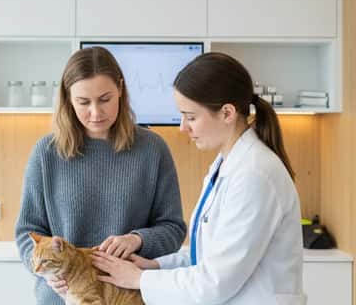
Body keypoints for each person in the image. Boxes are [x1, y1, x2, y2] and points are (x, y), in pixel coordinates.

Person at [91, 52, 304, 305]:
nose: (183, 127)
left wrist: (139, 279)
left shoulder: (254, 175)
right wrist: (154, 266)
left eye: (191, 117)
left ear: (227, 113)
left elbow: (214, 282)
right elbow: (205, 256)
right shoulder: (227, 166)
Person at [14, 47, 187, 305]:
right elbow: (28, 231)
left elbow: (173, 229)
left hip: (128, 298)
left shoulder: (152, 150)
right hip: (60, 298)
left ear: (120, 89)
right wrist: (48, 274)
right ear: (68, 99)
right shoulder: (46, 153)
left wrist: (137, 239)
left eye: (105, 99)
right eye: (83, 102)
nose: (96, 112)